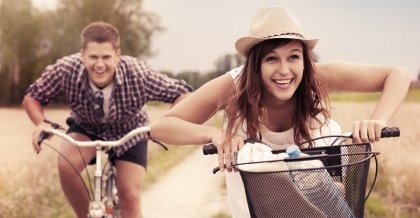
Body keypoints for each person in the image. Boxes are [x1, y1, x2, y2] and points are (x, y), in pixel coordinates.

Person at [150, 5, 411, 218]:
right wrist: (214, 134)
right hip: (256, 208)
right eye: (272, 58)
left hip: (317, 206)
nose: (284, 70)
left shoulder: (318, 77)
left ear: (304, 59)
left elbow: (398, 75)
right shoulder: (233, 87)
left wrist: (378, 119)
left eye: (293, 57)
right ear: (256, 64)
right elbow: (162, 127)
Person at [22, 21, 192, 218]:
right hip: (86, 128)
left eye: (106, 57)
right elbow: (32, 96)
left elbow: (183, 93)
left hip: (131, 132)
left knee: (129, 196)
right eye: (93, 57)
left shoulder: (137, 73)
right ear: (83, 55)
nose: (100, 64)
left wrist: (165, 124)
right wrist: (41, 123)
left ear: (117, 55)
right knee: (66, 167)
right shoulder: (65, 70)